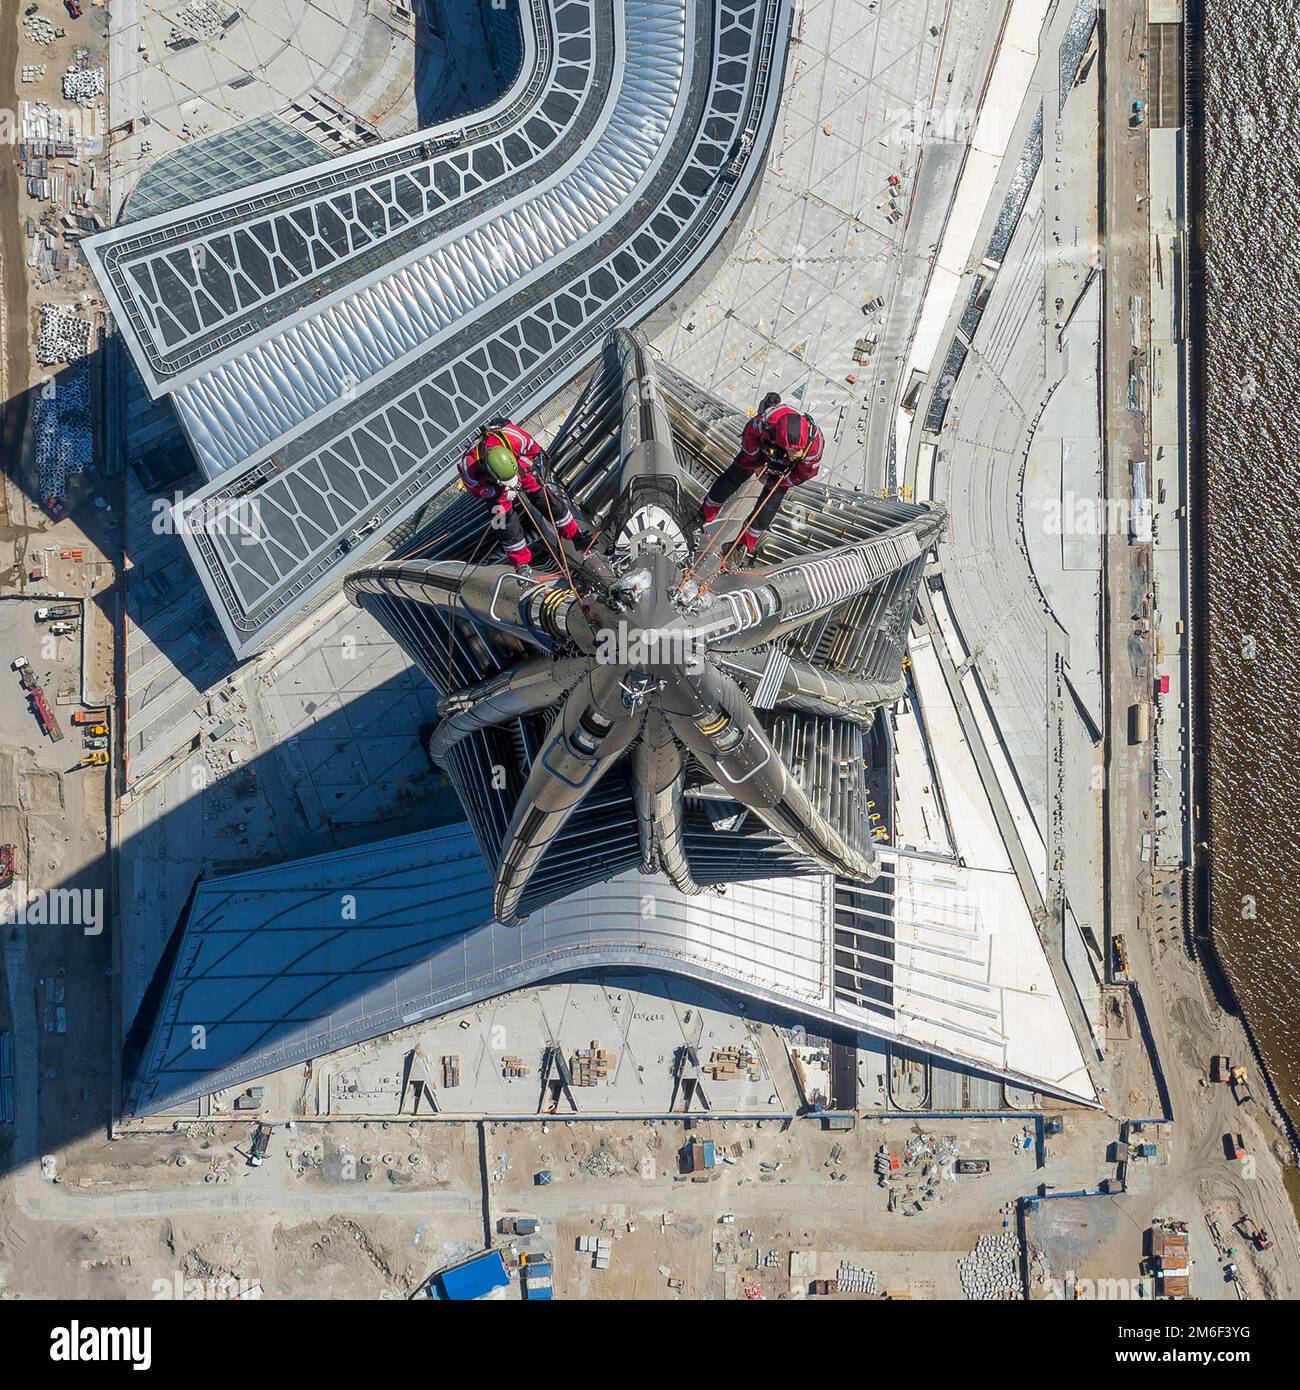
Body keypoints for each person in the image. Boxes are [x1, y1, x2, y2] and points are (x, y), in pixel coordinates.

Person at [698, 393, 823, 555]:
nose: (795, 453)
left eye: (798, 450)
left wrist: (780, 481)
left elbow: (804, 474)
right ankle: (704, 515)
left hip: (785, 467)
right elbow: (749, 437)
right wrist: (756, 466)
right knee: (733, 477)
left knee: (769, 502)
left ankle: (742, 544)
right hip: (764, 447)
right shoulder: (766, 421)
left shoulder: (814, 447)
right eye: (792, 450)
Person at [458, 421, 590, 569]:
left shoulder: (514, 438)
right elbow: (479, 492)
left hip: (519, 465)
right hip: (495, 486)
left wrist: (533, 469)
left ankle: (576, 535)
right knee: (502, 519)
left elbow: (534, 450)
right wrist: (500, 493)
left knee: (544, 498)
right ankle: (520, 562)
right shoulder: (469, 468)